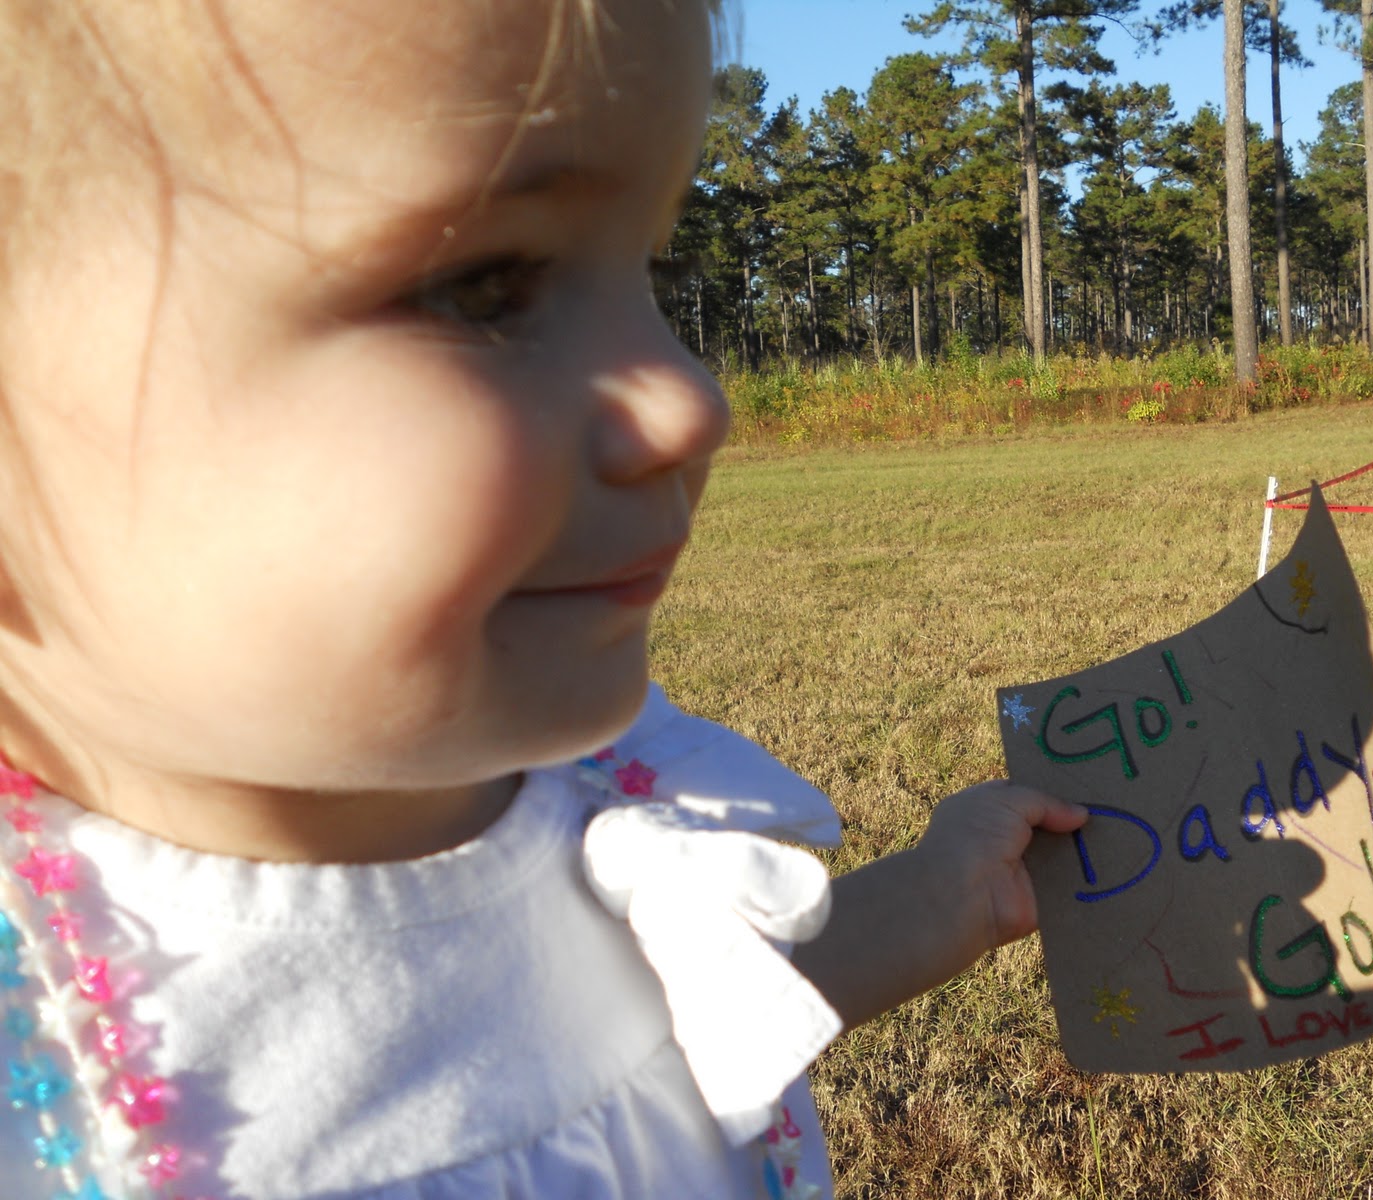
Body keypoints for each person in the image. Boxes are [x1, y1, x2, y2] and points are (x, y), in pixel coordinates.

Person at [0, 2, 1088, 1198]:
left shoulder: (591, 802)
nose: (691, 399)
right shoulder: (38, 1055)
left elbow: (660, 1033)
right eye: (481, 287)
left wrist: (938, 895)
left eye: (654, 267)